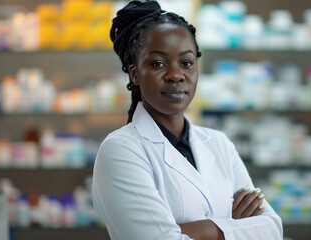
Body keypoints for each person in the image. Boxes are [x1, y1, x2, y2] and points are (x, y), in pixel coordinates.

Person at [91, 1, 283, 239]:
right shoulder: (121, 151)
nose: (175, 75)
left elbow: (273, 229)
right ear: (135, 74)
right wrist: (232, 226)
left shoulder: (218, 143)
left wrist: (195, 230)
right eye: (158, 63)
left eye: (186, 63)